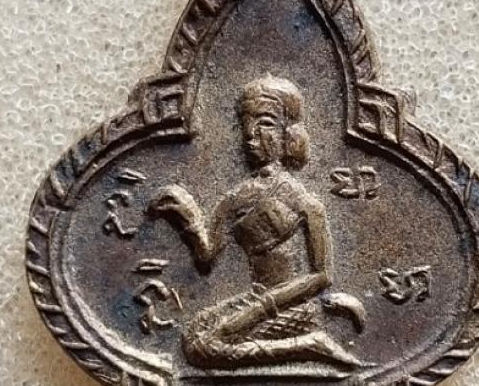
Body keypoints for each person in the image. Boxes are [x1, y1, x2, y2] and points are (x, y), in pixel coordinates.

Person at [150, 75, 363, 369]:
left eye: (265, 123)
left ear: (289, 133)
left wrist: (260, 309)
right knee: (193, 334)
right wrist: (186, 215)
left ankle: (312, 345)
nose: (251, 135)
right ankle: (304, 346)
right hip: (255, 299)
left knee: (202, 347)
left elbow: (321, 276)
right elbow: (206, 257)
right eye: (246, 124)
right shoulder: (235, 198)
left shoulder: (305, 203)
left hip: (292, 307)